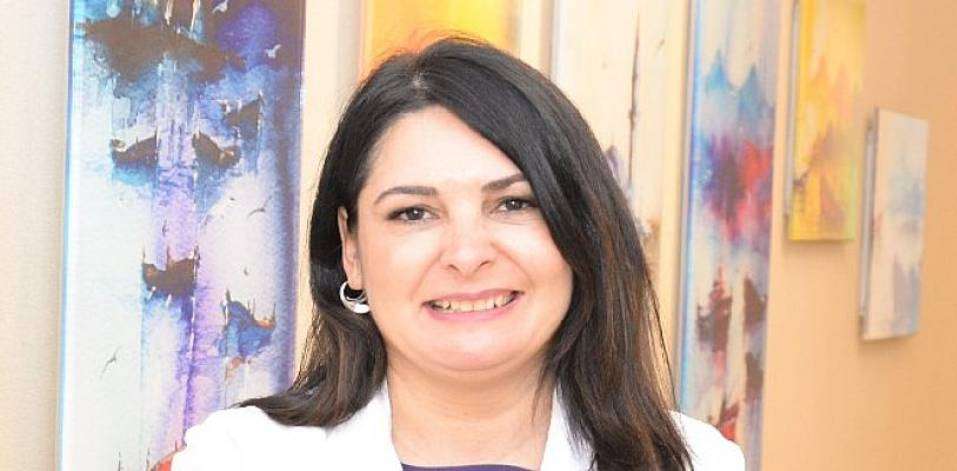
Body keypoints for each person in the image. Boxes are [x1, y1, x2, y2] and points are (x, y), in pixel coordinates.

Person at [162, 37, 744, 470]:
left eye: (513, 204)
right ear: (351, 250)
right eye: (413, 213)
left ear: (581, 230)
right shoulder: (236, 458)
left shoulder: (698, 462)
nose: (466, 255)